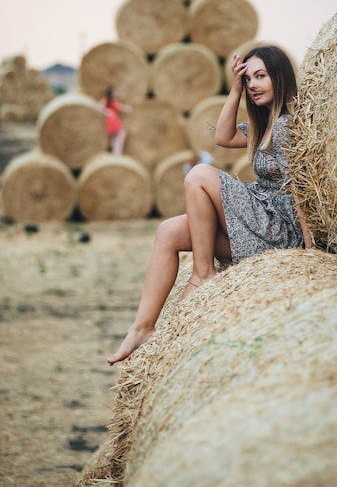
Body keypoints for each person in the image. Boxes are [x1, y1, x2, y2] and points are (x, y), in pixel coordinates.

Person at [107, 44, 312, 366]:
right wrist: (233, 90)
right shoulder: (263, 126)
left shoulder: (287, 126)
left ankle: (203, 274)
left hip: (279, 228)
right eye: (249, 79)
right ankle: (142, 327)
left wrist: (311, 251)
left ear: (281, 78)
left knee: (200, 174)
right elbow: (224, 137)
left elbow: (301, 189)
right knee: (168, 232)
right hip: (259, 221)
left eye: (261, 76)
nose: (253, 85)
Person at [99, 87, 132, 155]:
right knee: (120, 134)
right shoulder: (106, 100)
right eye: (115, 91)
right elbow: (98, 106)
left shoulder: (114, 100)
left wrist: (127, 108)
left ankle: (116, 152)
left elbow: (119, 107)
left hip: (115, 118)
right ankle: (117, 152)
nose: (116, 93)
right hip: (111, 119)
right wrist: (107, 112)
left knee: (115, 137)